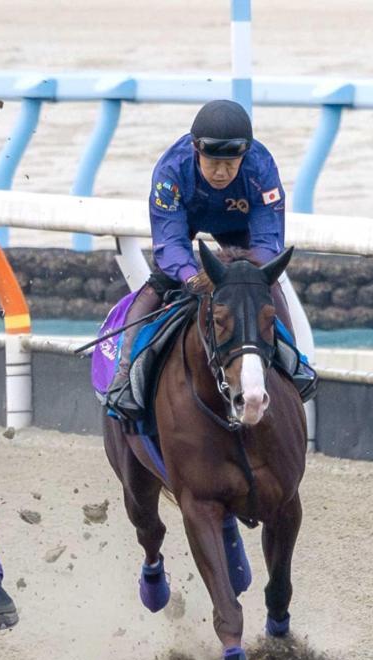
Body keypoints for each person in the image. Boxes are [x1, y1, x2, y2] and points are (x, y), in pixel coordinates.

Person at [105, 98, 293, 419]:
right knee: (158, 287)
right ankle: (125, 375)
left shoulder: (261, 167)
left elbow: (268, 241)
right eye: (213, 163)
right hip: (186, 219)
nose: (221, 172)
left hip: (239, 230)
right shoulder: (170, 171)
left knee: (262, 289)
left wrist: (245, 269)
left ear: (244, 155)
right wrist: (194, 276)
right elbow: (170, 244)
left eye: (231, 164)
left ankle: (295, 363)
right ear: (196, 150)